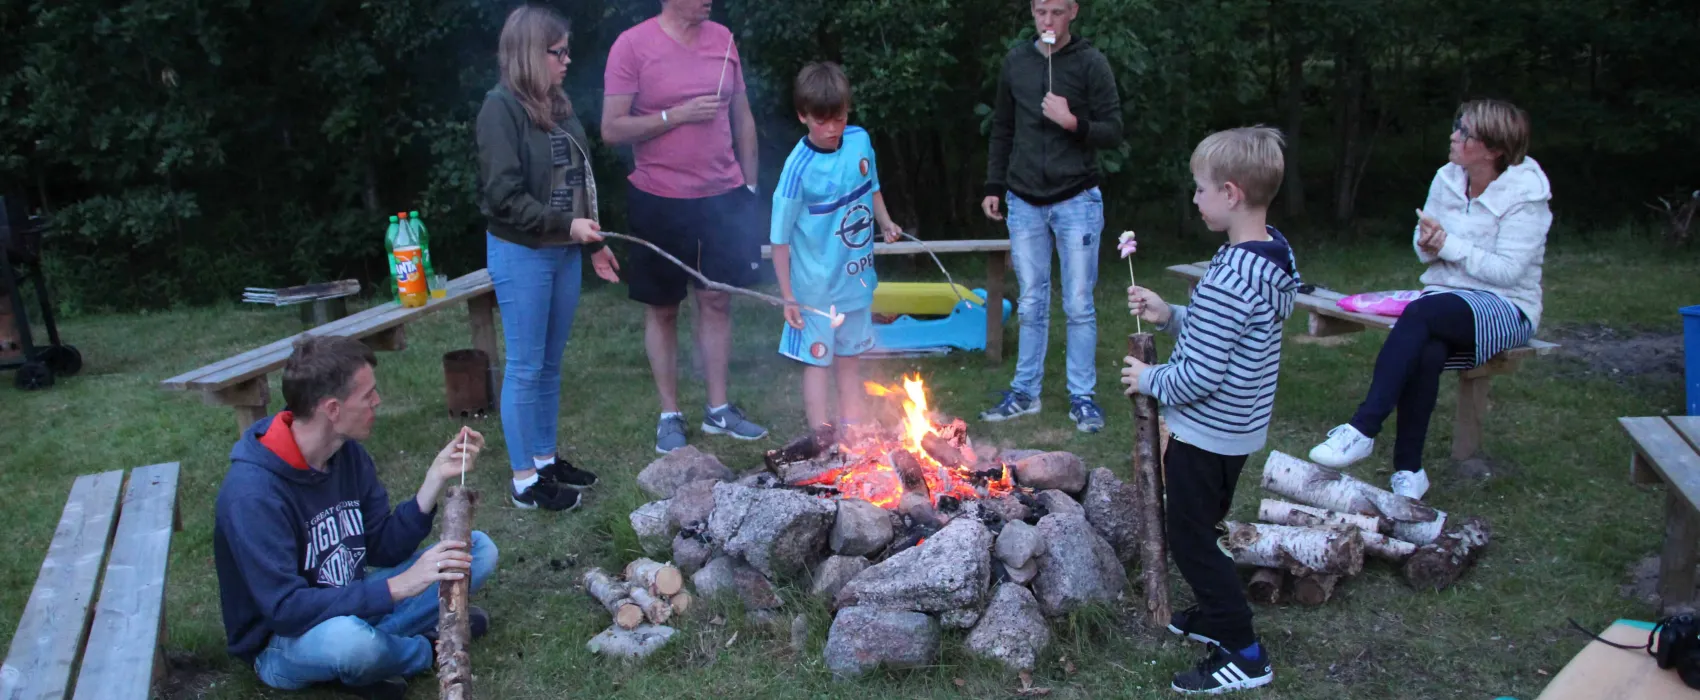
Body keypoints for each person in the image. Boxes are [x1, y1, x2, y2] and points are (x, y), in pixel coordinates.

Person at [213, 336, 499, 699]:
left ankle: (381, 652)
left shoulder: (346, 454)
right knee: (350, 643)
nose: (377, 402)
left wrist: (433, 481)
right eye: (368, 395)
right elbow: (285, 610)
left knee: (477, 549)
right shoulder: (252, 494)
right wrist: (398, 587)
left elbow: (381, 546)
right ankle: (422, 650)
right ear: (332, 409)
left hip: (352, 600)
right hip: (284, 641)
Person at [1121, 127, 1297, 694]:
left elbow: (1198, 375)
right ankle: (1217, 622)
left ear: (1230, 193)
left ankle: (1244, 652)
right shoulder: (1269, 259)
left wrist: (1149, 379)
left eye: (1199, 190)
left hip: (1207, 432)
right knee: (1203, 526)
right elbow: (1223, 338)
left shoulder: (1228, 279)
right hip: (1238, 431)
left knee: (1191, 538)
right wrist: (1170, 313)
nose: (1194, 199)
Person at [1306, 100, 1550, 501]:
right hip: (1445, 300)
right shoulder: (1447, 177)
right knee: (1427, 350)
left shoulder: (1527, 195)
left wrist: (1449, 244)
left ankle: (1363, 428)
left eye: (1465, 132)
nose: (1454, 136)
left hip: (1507, 305)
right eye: (1457, 126)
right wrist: (1428, 242)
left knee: (1420, 314)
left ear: (1493, 150)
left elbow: (1507, 271)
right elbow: (1428, 251)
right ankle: (1409, 472)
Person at [602, 0, 769, 453]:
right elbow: (612, 129)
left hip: (723, 193)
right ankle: (669, 414)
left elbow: (743, 117)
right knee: (662, 307)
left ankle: (719, 409)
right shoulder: (632, 46)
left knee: (716, 299)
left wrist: (750, 190)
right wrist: (674, 116)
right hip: (659, 196)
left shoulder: (723, 39)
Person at [476, 4, 617, 511]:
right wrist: (567, 227)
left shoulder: (556, 104)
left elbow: (579, 179)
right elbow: (503, 196)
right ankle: (523, 482)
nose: (567, 60)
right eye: (558, 52)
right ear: (531, 53)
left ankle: (545, 459)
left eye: (566, 51)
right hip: (524, 252)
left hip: (565, 251)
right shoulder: (500, 109)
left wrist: (593, 243)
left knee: (550, 364)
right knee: (526, 365)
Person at [979, 0, 1123, 433]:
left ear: (1073, 12)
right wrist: (993, 185)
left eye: (1056, 12)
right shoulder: (1016, 62)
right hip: (1023, 199)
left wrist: (1072, 121)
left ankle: (1083, 397)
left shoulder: (1091, 63)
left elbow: (1113, 130)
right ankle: (1025, 392)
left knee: (1078, 302)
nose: (1047, 21)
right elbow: (1003, 127)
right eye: (1041, 11)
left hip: (1076, 197)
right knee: (1032, 300)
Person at [771, 62, 901, 436]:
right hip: (815, 290)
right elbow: (779, 240)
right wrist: (788, 297)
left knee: (850, 359)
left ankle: (853, 430)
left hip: (856, 282)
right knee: (818, 361)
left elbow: (872, 186)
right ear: (803, 116)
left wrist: (886, 222)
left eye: (839, 119)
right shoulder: (798, 169)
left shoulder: (859, 140)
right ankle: (821, 436)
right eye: (821, 121)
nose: (831, 130)